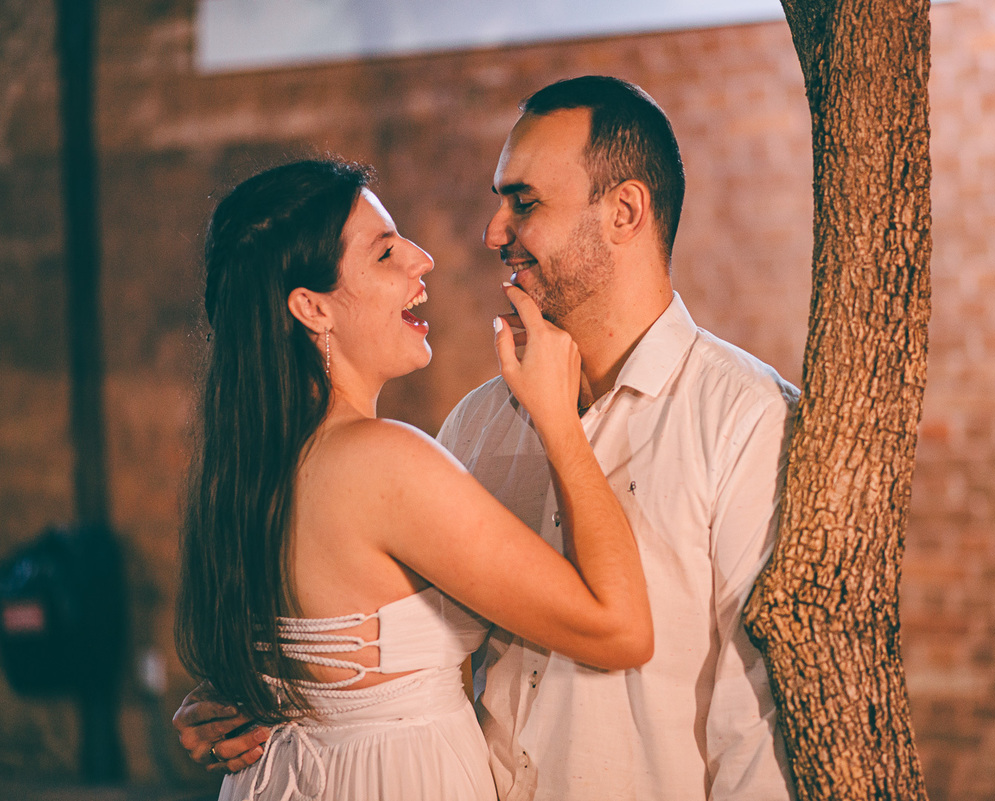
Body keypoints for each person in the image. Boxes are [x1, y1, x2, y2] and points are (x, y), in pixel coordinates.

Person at [176, 76, 798, 800]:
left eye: (523, 202)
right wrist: (279, 689)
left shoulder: (745, 419)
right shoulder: (476, 424)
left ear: (625, 211)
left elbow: (754, 724)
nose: (492, 232)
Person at [175, 157, 652, 801]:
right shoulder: (381, 462)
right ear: (312, 308)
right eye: (385, 253)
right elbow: (617, 627)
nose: (422, 260)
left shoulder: (246, 471)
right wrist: (559, 420)